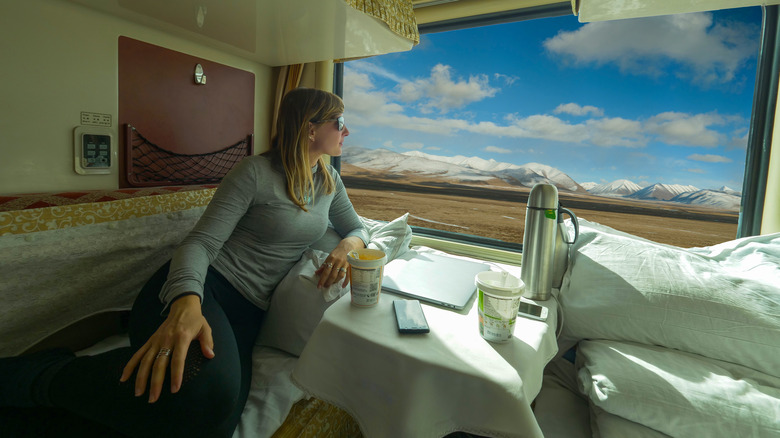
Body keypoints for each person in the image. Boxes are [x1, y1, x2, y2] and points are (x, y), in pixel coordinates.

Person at [0, 87, 369, 437]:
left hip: (248, 312)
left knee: (214, 425)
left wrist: (346, 247)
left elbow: (357, 228)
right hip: (202, 288)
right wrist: (187, 302)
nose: (347, 131)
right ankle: (39, 374)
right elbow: (200, 243)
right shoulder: (255, 172)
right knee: (201, 394)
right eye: (339, 122)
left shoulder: (329, 180)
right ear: (309, 128)